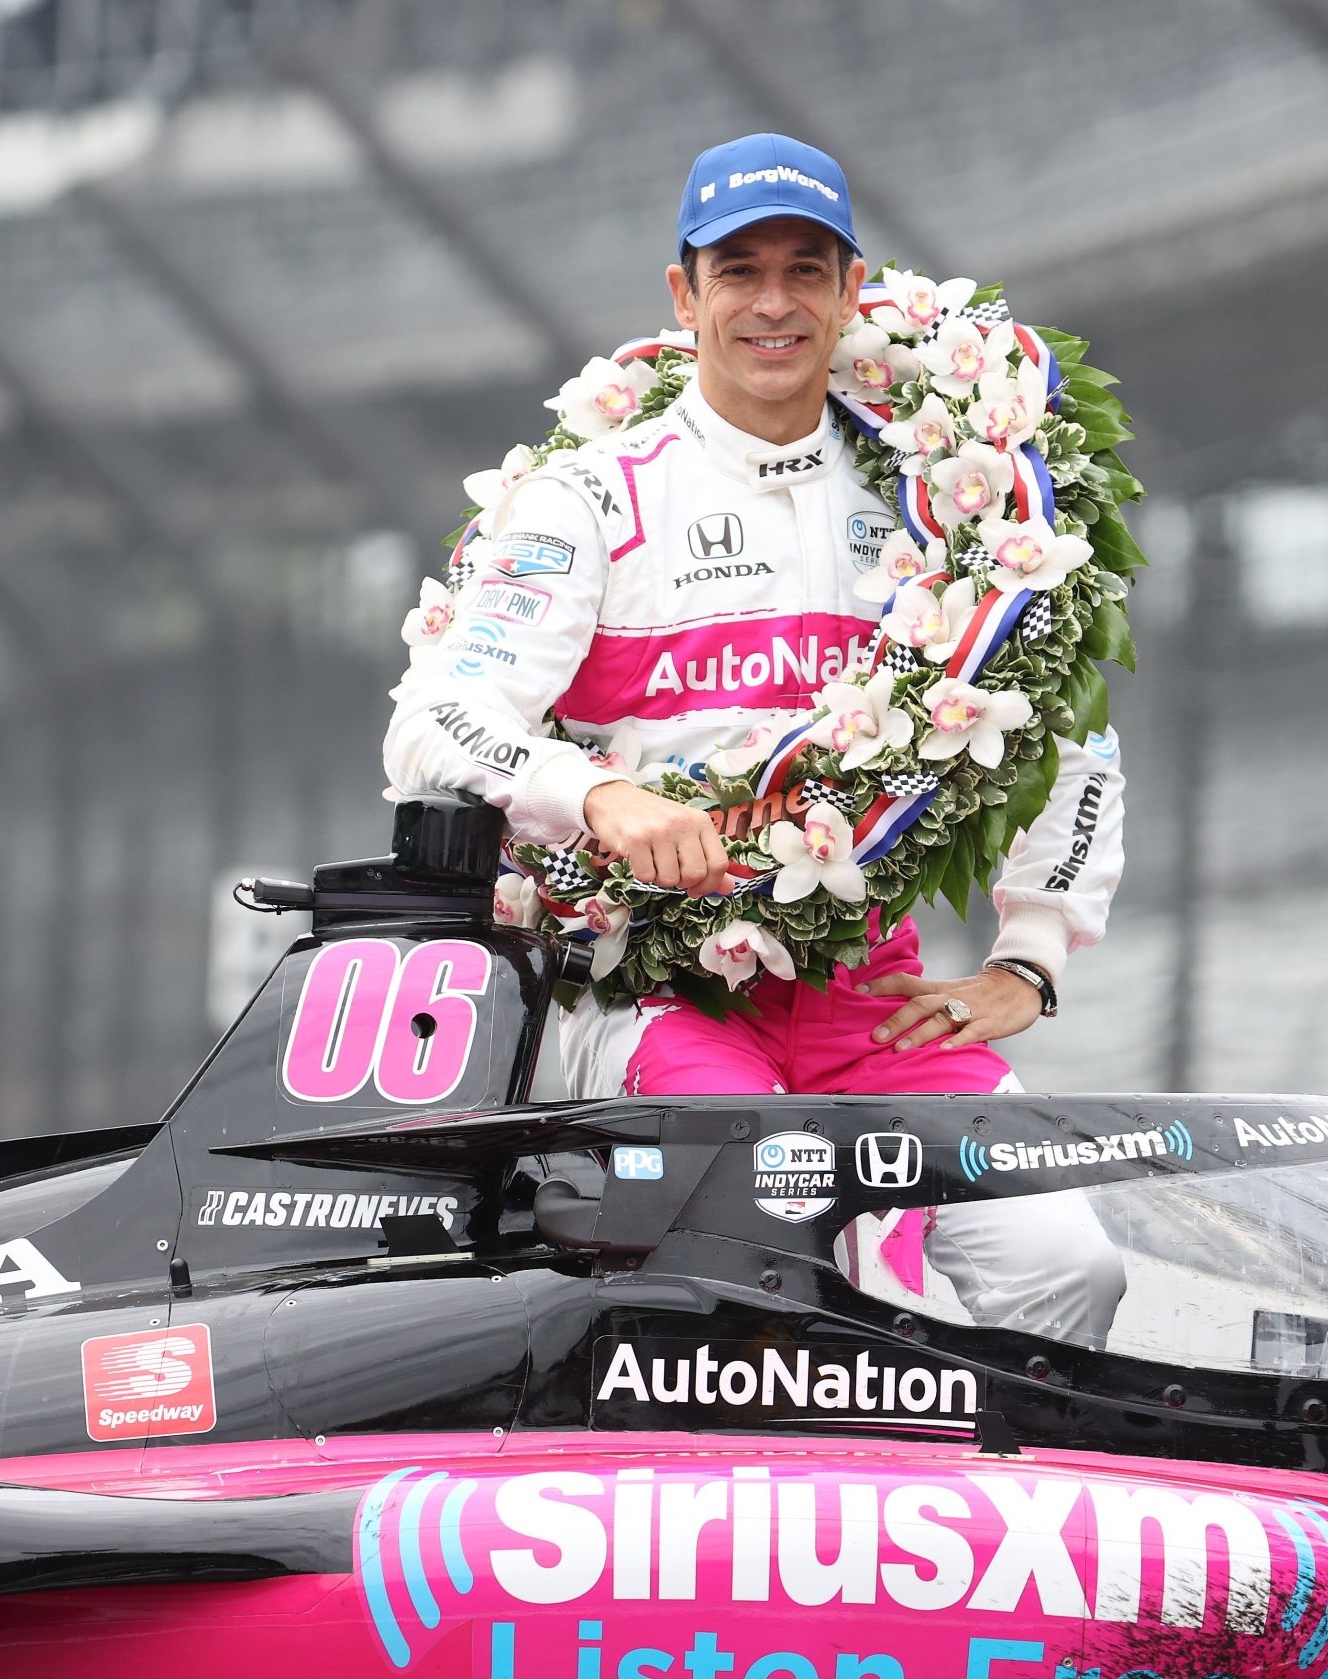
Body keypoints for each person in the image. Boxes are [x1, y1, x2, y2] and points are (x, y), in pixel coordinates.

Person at [381, 133, 1125, 1341]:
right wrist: (599, 799)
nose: (772, 302)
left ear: (849, 289)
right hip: (662, 996)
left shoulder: (941, 490)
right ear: (684, 295)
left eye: (803, 268)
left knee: (1067, 1263)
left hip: (869, 999)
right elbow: (435, 721)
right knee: (757, 1263)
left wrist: (1030, 951)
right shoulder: (591, 497)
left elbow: (1058, 720)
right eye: (738, 270)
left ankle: (987, 1526)